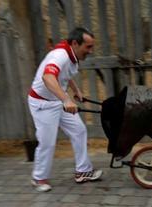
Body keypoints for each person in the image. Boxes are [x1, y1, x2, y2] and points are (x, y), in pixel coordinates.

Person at [28, 27, 103, 192]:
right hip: (43, 104)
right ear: (76, 43)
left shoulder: (73, 54)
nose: (91, 51)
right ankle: (39, 178)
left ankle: (83, 171)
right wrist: (66, 99)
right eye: (88, 47)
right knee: (47, 142)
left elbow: (65, 75)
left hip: (58, 100)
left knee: (79, 130)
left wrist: (75, 91)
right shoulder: (59, 56)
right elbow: (48, 77)